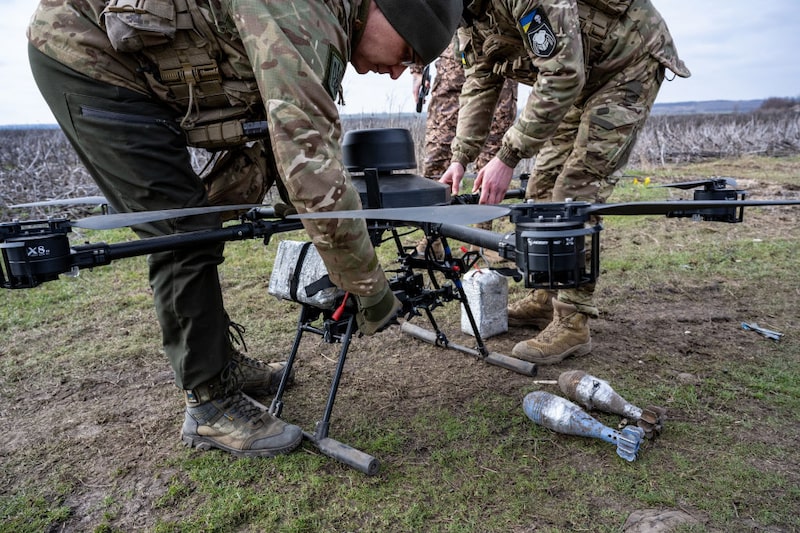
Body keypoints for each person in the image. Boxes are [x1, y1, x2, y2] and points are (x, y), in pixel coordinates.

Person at [27, 0, 462, 458]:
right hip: (86, 55)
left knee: (199, 224)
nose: (399, 73)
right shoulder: (303, 13)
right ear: (384, 9)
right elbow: (309, 165)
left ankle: (219, 365)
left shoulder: (327, 20)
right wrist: (371, 290)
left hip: (137, 65)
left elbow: (283, 147)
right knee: (182, 230)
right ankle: (209, 405)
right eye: (410, 53)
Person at [440, 0, 690, 365]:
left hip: (627, 62)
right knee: (541, 188)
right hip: (582, 75)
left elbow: (562, 73)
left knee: (575, 189)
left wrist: (508, 155)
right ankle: (545, 298)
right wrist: (460, 156)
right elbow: (480, 80)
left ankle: (573, 321)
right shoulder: (467, 15)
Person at [410, 40, 517, 260]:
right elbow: (428, 9)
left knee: (492, 155)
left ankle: (481, 240)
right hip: (453, 64)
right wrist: (417, 69)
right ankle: (432, 238)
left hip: (499, 63)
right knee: (436, 154)